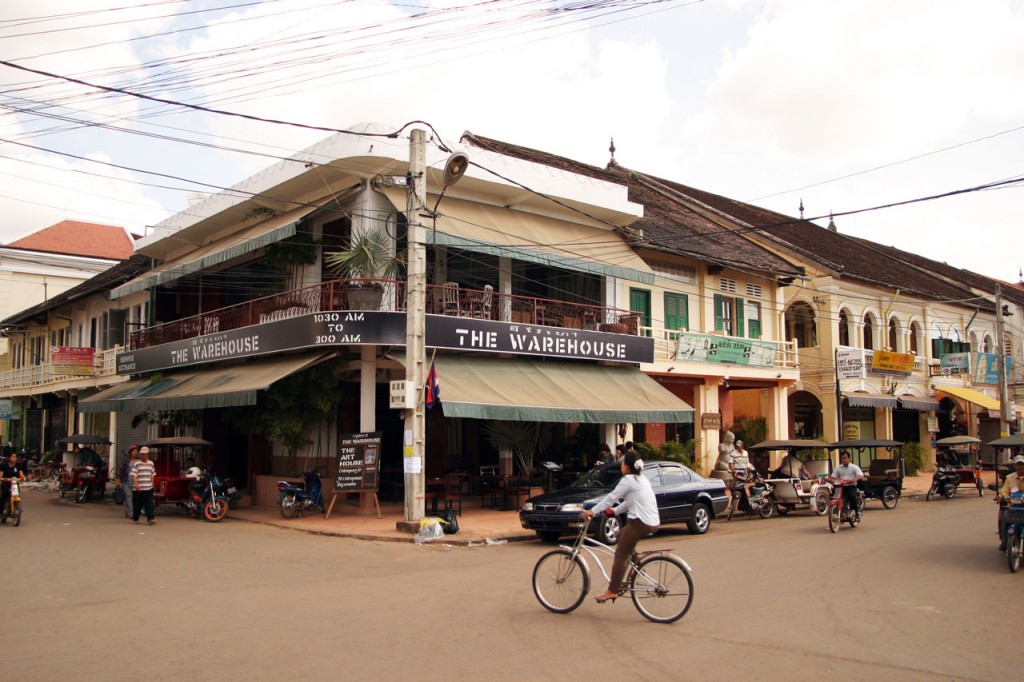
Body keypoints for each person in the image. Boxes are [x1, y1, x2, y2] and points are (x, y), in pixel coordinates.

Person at [581, 452, 660, 604]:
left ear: (627, 468)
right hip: (651, 521)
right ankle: (638, 565)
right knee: (620, 535)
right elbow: (631, 502)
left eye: (623, 463)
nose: (621, 466)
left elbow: (611, 497)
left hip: (640, 522)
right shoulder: (641, 479)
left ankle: (612, 590)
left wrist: (593, 511)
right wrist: (615, 511)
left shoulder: (628, 480)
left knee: (620, 555)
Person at [996, 455, 1024, 551]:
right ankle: (1004, 540)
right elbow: (1004, 491)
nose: (1020, 467)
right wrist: (1001, 496)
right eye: (1018, 465)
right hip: (1013, 506)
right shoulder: (1010, 478)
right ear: (1015, 466)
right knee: (1003, 517)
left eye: (1022, 465)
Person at [830, 450, 866, 518]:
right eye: (842, 458)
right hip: (840, 487)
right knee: (832, 496)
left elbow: (861, 475)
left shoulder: (854, 467)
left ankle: (855, 511)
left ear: (849, 458)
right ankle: (836, 510)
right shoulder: (838, 468)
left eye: (845, 458)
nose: (843, 460)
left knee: (852, 496)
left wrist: (855, 479)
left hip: (850, 486)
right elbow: (832, 477)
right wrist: (828, 479)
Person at [131, 446, 157, 526]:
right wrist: (137, 485)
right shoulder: (137, 463)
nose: (143, 456)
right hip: (138, 489)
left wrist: (152, 484)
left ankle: (150, 519)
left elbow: (152, 474)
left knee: (149, 504)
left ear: (147, 454)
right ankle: (136, 518)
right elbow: (134, 475)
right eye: (142, 454)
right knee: (137, 505)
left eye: (145, 454)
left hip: (148, 487)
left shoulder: (151, 463)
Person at [0, 451, 26, 521]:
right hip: (6, 483)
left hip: (15, 483)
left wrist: (23, 477)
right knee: (4, 494)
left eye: (15, 457)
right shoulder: (3, 465)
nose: (15, 458)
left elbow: (21, 474)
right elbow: (1, 475)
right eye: (13, 457)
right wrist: (2, 478)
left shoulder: (18, 465)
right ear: (9, 458)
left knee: (17, 494)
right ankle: (1, 509)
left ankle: (17, 507)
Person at [117, 445, 140, 519]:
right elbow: (121, 470)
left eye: (136, 451)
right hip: (126, 481)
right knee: (129, 496)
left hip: (136, 482)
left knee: (133, 498)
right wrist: (118, 480)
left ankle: (127, 512)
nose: (135, 453)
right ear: (130, 452)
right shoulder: (126, 461)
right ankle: (131, 514)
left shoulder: (139, 461)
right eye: (134, 451)